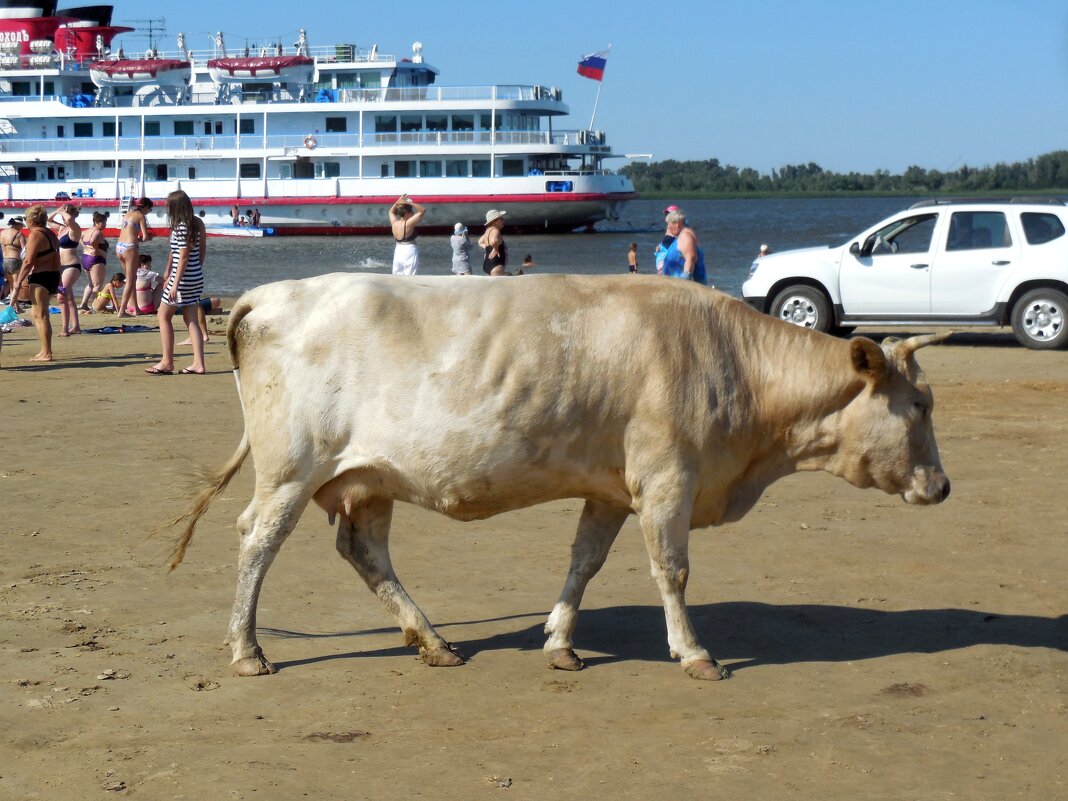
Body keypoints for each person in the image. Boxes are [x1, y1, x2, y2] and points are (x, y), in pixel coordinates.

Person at [147, 190, 206, 375]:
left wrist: (174, 282)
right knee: (191, 319)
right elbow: (199, 250)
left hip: (182, 279)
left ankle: (167, 361)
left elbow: (183, 256)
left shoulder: (181, 226)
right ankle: (198, 363)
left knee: (163, 316)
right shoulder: (197, 223)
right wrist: (168, 271)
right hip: (195, 276)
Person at [7, 205, 61, 361]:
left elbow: (29, 261)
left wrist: (18, 282)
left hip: (40, 276)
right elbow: (57, 258)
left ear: (31, 219)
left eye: (25, 219)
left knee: (41, 316)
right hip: (52, 275)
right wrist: (58, 278)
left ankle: (46, 352)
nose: (25, 222)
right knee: (36, 314)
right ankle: (45, 350)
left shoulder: (35, 235)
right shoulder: (50, 233)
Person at [115, 197, 153, 319]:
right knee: (131, 280)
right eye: (150, 210)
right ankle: (122, 311)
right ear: (146, 207)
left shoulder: (128, 213)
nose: (149, 212)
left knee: (131, 279)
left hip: (119, 246)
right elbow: (145, 237)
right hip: (130, 248)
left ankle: (135, 308)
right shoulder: (141, 216)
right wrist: (149, 238)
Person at [50, 204, 82, 336]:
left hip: (71, 266)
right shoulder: (62, 228)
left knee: (61, 297)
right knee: (69, 298)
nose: (63, 218)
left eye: (64, 214)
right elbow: (48, 220)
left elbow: (69, 220)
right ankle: (76, 326)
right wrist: (57, 211)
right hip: (60, 267)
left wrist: (64, 213)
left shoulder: (75, 228)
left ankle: (65, 328)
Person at [658, 207, 707, 284]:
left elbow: (691, 258)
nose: (668, 227)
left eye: (668, 224)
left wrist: (685, 279)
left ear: (676, 224)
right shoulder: (681, 235)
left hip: (683, 286)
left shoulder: (685, 235)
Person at [78, 212, 108, 312]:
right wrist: (96, 249)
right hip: (96, 259)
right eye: (103, 222)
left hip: (86, 257)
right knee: (97, 285)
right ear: (96, 222)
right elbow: (93, 240)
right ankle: (94, 306)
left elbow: (80, 237)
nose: (105, 224)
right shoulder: (97, 232)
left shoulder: (85, 231)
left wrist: (85, 246)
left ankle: (83, 303)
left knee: (91, 284)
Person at [389, 194, 425, 275]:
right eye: (411, 212)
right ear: (406, 213)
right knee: (410, 276)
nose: (413, 213)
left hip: (398, 250)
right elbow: (422, 210)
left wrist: (398, 201)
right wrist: (410, 202)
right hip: (409, 250)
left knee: (397, 275)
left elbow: (391, 212)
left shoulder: (394, 222)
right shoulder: (408, 223)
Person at [1, 216, 25, 302]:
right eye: (21, 225)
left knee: (11, 284)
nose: (22, 227)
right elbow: (25, 251)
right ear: (17, 225)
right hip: (15, 260)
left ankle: (16, 305)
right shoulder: (19, 234)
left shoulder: (2, 232)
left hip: (4, 261)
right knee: (17, 284)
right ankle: (12, 305)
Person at [479, 209, 508, 276]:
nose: (503, 221)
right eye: (501, 219)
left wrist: (487, 248)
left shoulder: (488, 231)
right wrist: (495, 249)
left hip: (487, 264)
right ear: (494, 222)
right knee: (500, 286)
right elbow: (494, 241)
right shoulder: (495, 230)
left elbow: (480, 242)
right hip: (496, 265)